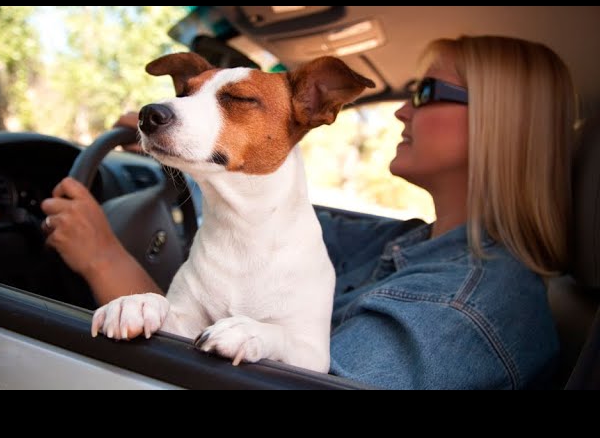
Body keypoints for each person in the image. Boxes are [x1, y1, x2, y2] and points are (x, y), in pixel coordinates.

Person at [41, 36, 576, 389]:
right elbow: (258, 210)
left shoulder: (462, 308)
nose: (401, 108)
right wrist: (179, 132)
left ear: (502, 125)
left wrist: (106, 261)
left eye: (427, 91)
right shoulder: (409, 243)